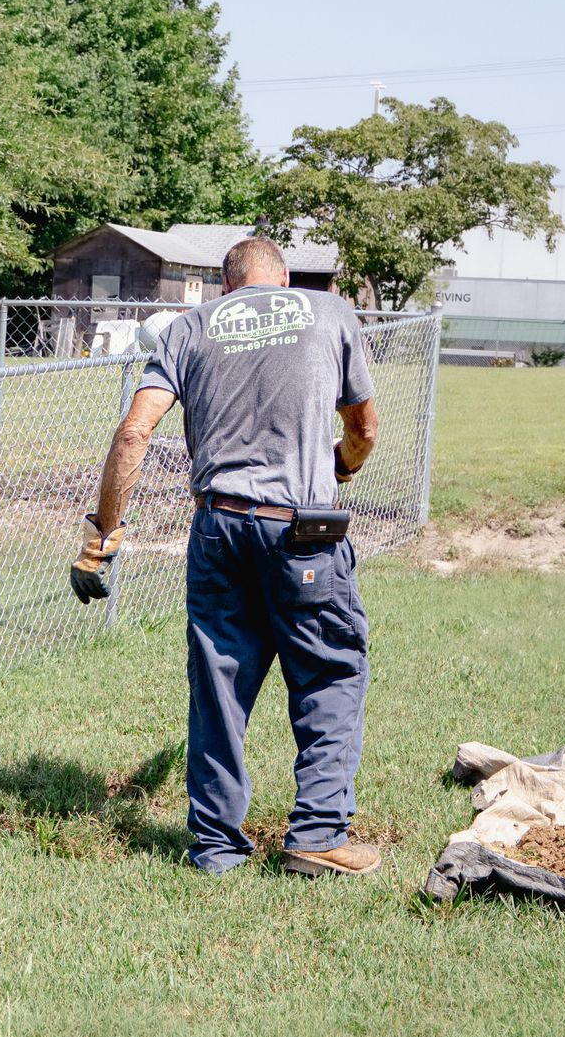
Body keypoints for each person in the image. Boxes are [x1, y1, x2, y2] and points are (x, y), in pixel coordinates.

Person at [70, 238, 382, 876]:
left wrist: (102, 536)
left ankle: (215, 847)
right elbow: (365, 429)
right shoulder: (330, 314)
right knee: (328, 674)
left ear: (224, 285)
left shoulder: (189, 328)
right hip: (303, 536)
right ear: (284, 278)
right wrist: (339, 467)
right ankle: (318, 836)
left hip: (218, 526)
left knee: (219, 687)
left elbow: (135, 430)